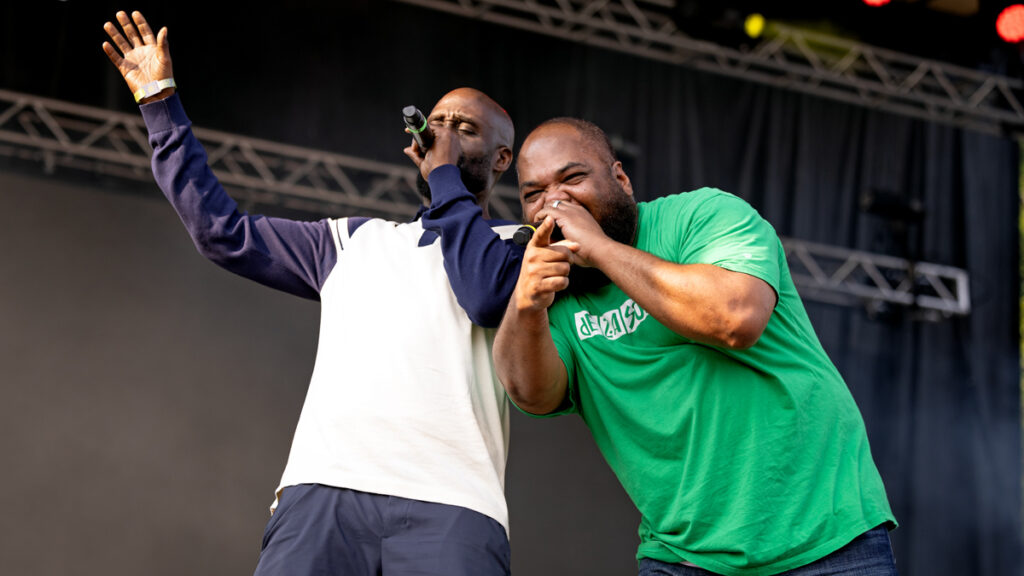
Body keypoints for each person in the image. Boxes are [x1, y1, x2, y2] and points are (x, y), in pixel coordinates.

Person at [102, 10, 523, 576]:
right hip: (323, 492)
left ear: (502, 159)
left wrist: (444, 177)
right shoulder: (353, 241)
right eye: (438, 121)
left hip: (452, 502)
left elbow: (484, 295)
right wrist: (159, 103)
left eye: (464, 128)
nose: (442, 133)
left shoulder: (518, 243)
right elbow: (220, 232)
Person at [493, 117, 898, 576]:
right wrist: (525, 305)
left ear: (621, 179)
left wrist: (600, 248)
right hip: (683, 557)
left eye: (572, 179)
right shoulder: (557, 295)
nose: (555, 202)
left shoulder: (702, 215)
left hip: (825, 538)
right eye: (533, 193)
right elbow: (533, 395)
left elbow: (735, 317)